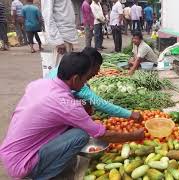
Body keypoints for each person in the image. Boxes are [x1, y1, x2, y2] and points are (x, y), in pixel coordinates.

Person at [0, 52, 145, 179]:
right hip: (23, 164)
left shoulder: (39, 84)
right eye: (86, 79)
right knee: (80, 135)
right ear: (76, 79)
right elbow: (101, 135)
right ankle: (37, 176)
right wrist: (134, 136)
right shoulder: (67, 105)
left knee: (73, 125)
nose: (86, 83)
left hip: (10, 153)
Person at [46, 47, 142, 121]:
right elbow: (100, 103)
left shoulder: (66, 66)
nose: (97, 72)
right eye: (97, 68)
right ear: (89, 65)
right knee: (87, 103)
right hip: (55, 112)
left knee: (86, 100)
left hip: (48, 104)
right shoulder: (78, 84)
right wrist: (129, 114)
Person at [41, 0, 78, 68]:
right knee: (60, 69)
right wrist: (58, 41)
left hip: (67, 35)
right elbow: (47, 16)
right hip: (61, 37)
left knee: (68, 68)